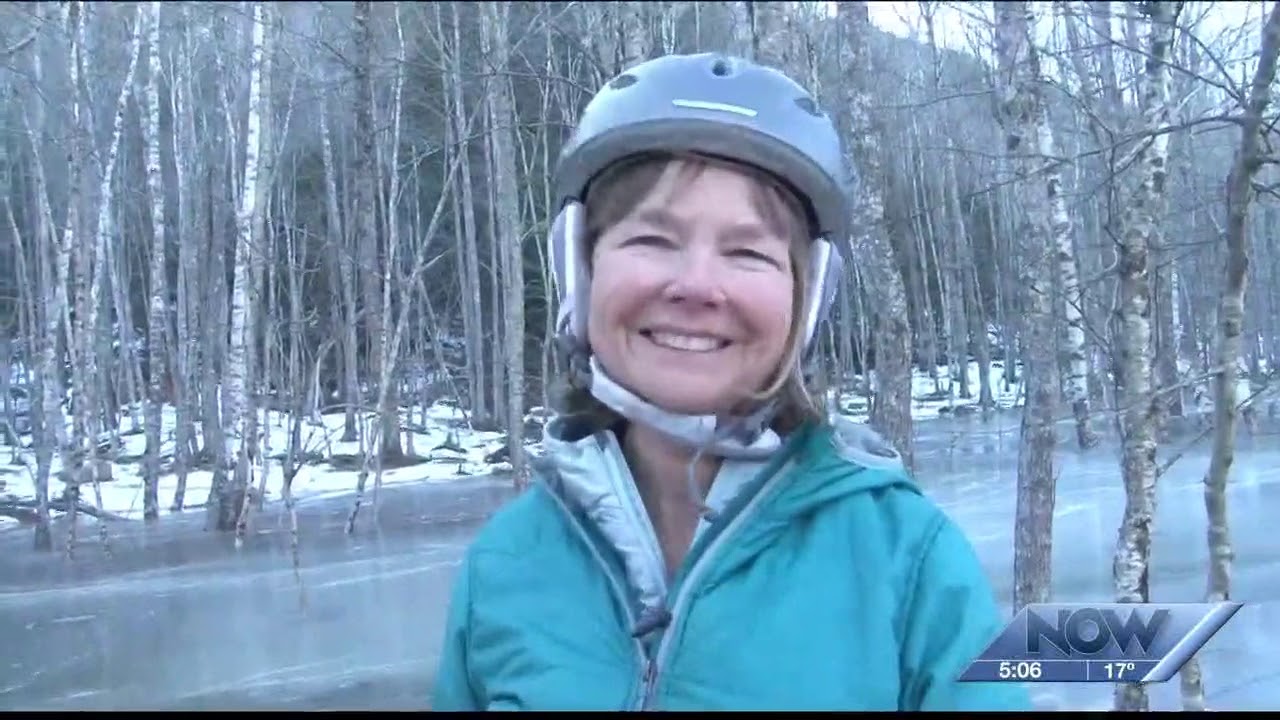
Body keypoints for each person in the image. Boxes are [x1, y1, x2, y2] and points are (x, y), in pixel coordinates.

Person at [431, 52, 1031, 711]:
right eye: (652, 239)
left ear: (807, 299)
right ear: (579, 268)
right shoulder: (507, 565)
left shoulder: (906, 561)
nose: (695, 286)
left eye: (747, 252)